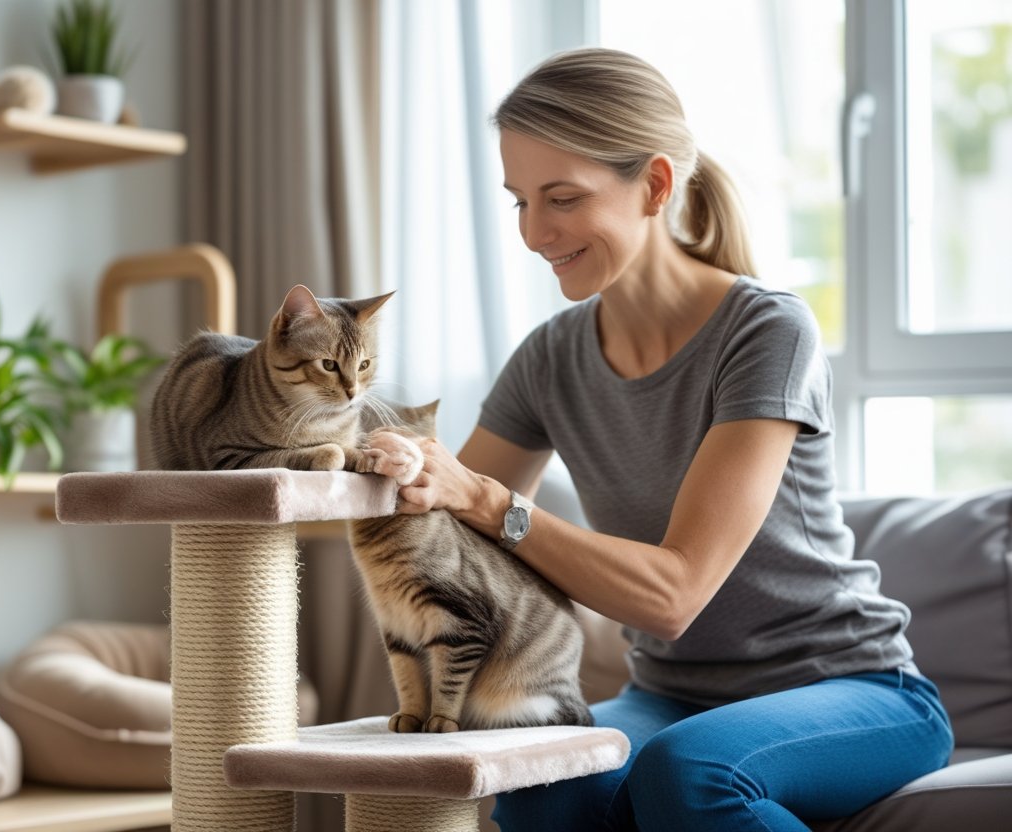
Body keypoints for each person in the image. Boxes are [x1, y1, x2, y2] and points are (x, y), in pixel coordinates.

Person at [390, 48, 953, 831]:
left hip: (853, 689)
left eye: (562, 198)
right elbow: (446, 533)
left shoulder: (766, 330)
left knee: (690, 775)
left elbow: (673, 595)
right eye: (519, 201)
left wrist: (490, 501)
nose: (533, 233)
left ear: (654, 185)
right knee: (542, 788)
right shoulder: (550, 358)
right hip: (672, 693)